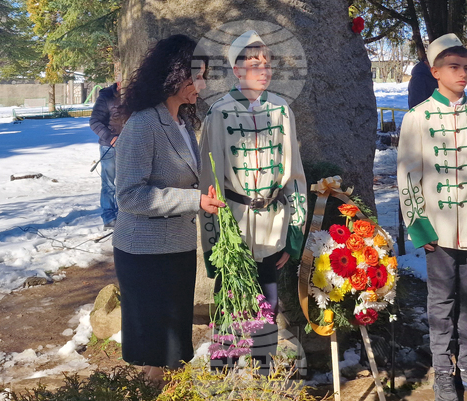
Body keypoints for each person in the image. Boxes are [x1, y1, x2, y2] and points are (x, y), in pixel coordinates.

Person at [397, 33, 467, 401]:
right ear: (435, 72)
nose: (463, 74)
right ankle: (443, 371)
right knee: (441, 302)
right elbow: (408, 176)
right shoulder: (417, 117)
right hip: (438, 228)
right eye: (454, 67)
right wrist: (419, 224)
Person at [113, 34, 226, 382]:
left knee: (172, 347)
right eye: (196, 76)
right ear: (175, 74)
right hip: (145, 253)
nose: (201, 85)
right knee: (157, 351)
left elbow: (184, 180)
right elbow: (130, 195)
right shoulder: (143, 124)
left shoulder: (182, 123)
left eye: (204, 76)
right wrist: (195, 201)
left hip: (176, 247)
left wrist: (205, 194)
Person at [200, 30, 307, 372]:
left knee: (268, 304)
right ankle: (222, 375)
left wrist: (294, 234)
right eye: (255, 63)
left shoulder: (281, 110)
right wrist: (215, 244)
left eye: (267, 63)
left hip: (273, 223)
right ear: (237, 70)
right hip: (235, 224)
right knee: (230, 302)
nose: (264, 70)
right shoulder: (219, 113)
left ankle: (264, 374)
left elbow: (295, 174)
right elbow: (209, 182)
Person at [90, 78, 121, 229]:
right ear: (119, 83)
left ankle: (124, 215)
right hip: (109, 147)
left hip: (130, 147)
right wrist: (110, 138)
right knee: (109, 184)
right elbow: (94, 122)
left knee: (126, 183)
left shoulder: (136, 96)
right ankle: (109, 217)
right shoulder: (106, 97)